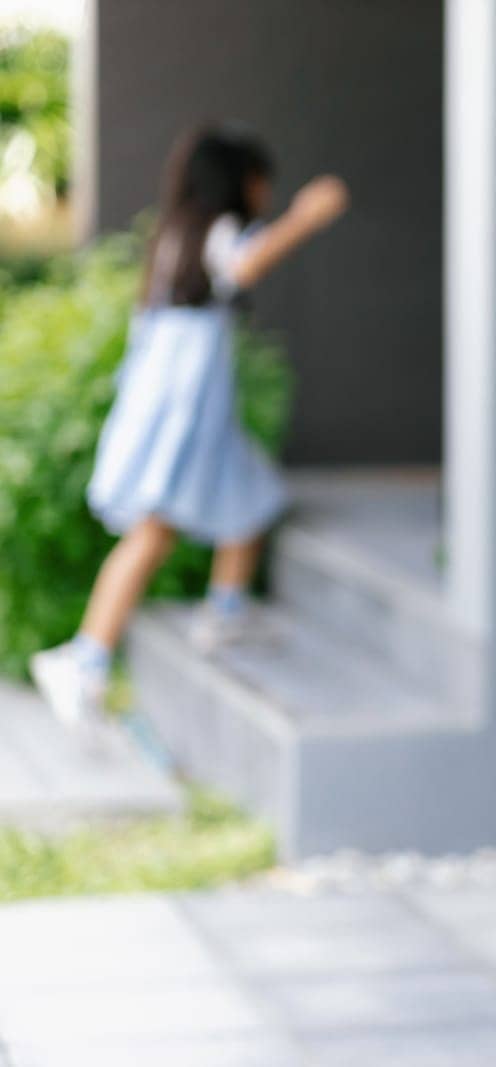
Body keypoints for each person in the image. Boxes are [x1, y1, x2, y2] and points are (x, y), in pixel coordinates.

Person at [29, 122, 349, 728]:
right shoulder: (217, 232)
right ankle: (87, 658)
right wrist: (306, 217)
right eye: (260, 184)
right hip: (182, 413)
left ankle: (224, 614)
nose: (265, 196)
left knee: (249, 495)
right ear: (238, 183)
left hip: (189, 409)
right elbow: (247, 265)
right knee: (155, 529)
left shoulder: (173, 235)